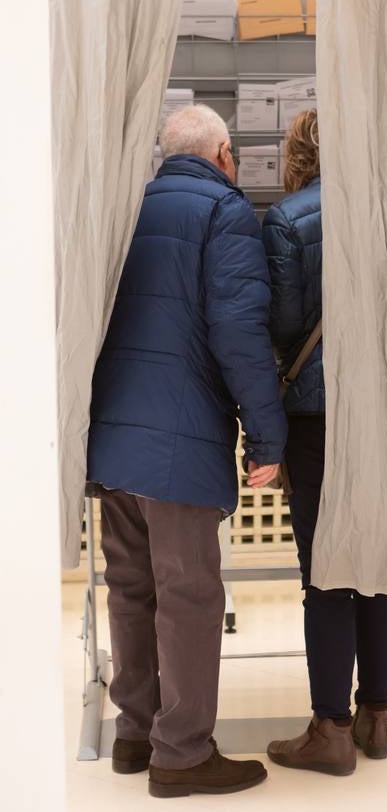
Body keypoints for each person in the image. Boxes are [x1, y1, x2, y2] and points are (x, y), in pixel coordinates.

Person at [87, 104, 287, 798]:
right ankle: (182, 755)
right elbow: (239, 334)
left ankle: (133, 734)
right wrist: (267, 437)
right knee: (190, 595)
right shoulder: (224, 213)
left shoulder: (122, 204)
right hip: (178, 439)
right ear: (224, 154)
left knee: (130, 588)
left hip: (112, 436)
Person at [262, 109, 387, 776]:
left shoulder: (288, 219)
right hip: (382, 412)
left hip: (316, 414)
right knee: (375, 563)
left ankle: (330, 731)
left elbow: (286, 322)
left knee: (326, 571)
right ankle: (376, 715)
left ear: (296, 152)